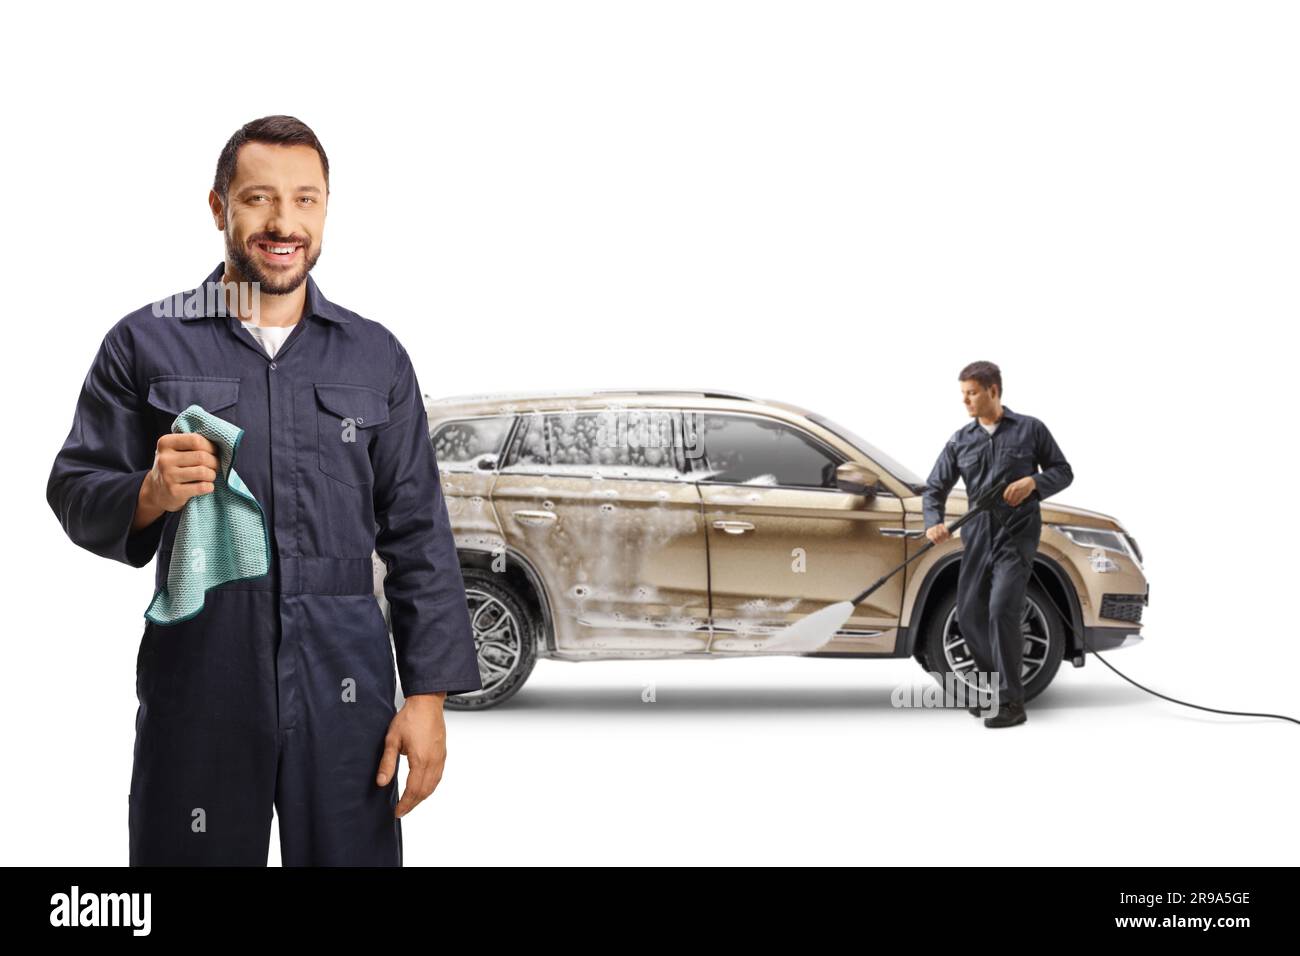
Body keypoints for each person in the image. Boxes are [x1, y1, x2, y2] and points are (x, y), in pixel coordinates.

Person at [46, 115, 483, 864]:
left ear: (325, 209)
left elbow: (417, 531)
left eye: (306, 200)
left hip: (346, 682)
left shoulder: (374, 357)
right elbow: (74, 486)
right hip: (204, 673)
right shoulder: (146, 341)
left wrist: (428, 696)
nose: (284, 223)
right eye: (259, 199)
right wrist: (150, 492)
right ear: (219, 208)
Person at [922, 361, 1073, 729]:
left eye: (972, 393)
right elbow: (934, 488)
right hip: (977, 537)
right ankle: (994, 688)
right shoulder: (961, 440)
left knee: (1002, 608)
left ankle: (1011, 702)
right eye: (963, 395)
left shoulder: (1030, 430)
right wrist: (934, 523)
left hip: (1016, 536)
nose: (966, 401)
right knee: (971, 613)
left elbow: (1063, 471)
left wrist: (1033, 484)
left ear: (993, 390)